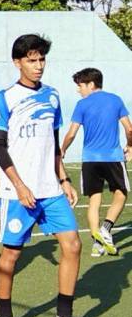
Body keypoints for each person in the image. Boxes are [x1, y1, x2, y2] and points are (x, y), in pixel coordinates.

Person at [0, 34, 98, 317]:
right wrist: (19, 185)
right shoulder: (4, 98)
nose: (38, 66)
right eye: (31, 60)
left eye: (41, 60)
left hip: (50, 189)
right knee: (11, 254)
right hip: (17, 192)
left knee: (73, 244)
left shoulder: (52, 96)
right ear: (18, 62)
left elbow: (54, 144)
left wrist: (63, 179)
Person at [60, 68, 132, 257]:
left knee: (94, 199)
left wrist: (62, 149)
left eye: (80, 86)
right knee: (121, 194)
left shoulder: (81, 105)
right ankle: (106, 229)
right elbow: (129, 129)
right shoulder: (115, 100)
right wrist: (130, 145)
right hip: (113, 158)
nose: (78, 90)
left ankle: (97, 244)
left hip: (90, 159)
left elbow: (72, 133)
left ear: (91, 84)